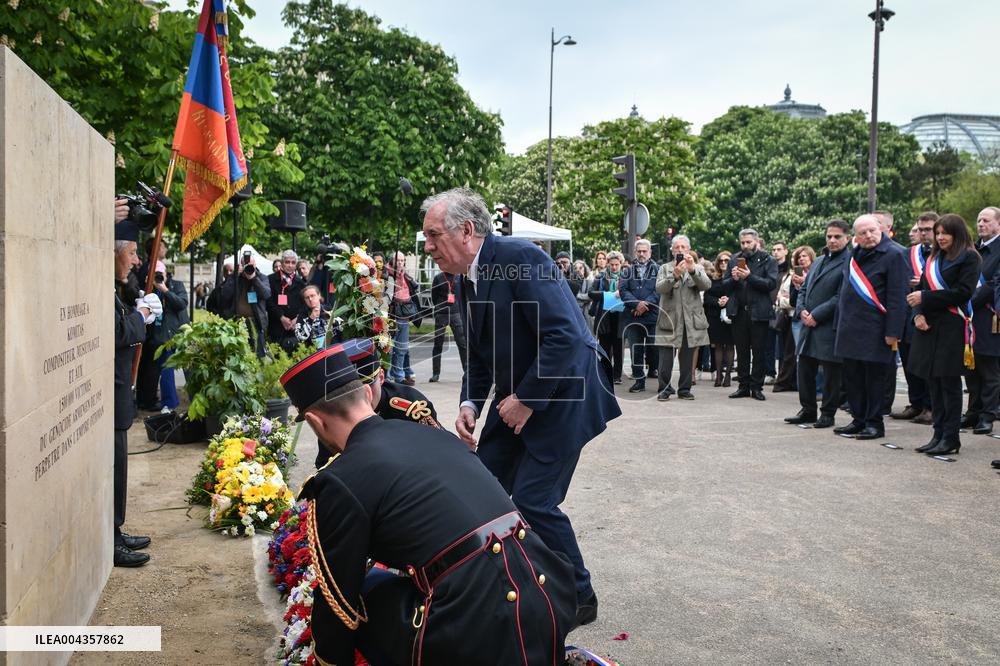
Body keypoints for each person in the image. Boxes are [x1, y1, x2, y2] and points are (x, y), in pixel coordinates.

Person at [283, 344, 577, 664]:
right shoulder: (436, 435)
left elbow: (336, 604)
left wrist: (327, 658)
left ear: (315, 421)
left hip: (477, 629)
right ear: (367, 394)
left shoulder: (340, 478)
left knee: (366, 593)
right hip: (545, 601)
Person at [422, 187, 621, 629]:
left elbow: (565, 337)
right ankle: (497, 579)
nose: (429, 246)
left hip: (565, 395)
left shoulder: (521, 257)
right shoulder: (463, 276)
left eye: (434, 235)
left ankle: (579, 595)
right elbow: (479, 352)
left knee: (534, 501)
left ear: (467, 231)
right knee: (481, 485)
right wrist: (471, 402)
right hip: (521, 397)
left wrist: (527, 400)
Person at [907, 214, 981, 455]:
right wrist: (918, 314)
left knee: (948, 383)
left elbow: (963, 292)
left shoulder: (969, 257)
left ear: (957, 234)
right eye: (937, 233)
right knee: (933, 383)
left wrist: (925, 298)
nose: (940, 237)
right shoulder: (934, 257)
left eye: (944, 233)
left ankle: (951, 437)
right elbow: (921, 290)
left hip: (952, 325)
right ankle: (937, 433)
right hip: (928, 326)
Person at [832, 214, 909, 440]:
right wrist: (839, 324)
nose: (868, 236)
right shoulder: (854, 255)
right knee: (853, 379)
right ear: (855, 236)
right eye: (862, 233)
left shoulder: (895, 254)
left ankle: (874, 423)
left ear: (881, 229)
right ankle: (859, 419)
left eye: (872, 231)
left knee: (874, 380)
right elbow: (844, 292)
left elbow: (897, 297)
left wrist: (893, 331)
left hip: (876, 329)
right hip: (850, 328)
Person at [112, 212, 160, 567]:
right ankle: (112, 539)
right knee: (113, 468)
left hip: (118, 394)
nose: (137, 259)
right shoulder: (105, 287)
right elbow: (117, 333)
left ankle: (116, 531)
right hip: (112, 391)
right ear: (115, 253)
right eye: (131, 252)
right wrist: (140, 316)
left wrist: (138, 310)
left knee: (119, 468)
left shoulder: (118, 287)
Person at [312, 337, 441, 468]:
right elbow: (326, 467)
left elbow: (441, 452)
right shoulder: (335, 416)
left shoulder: (412, 408)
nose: (362, 397)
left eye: (366, 387)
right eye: (351, 392)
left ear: (381, 377)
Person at [784, 220, 850, 428]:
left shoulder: (850, 261)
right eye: (829, 236)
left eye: (837, 236)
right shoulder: (820, 260)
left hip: (829, 325)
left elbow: (841, 296)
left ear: (847, 238)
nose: (832, 240)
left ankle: (828, 413)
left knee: (831, 373)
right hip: (807, 323)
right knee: (804, 369)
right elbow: (805, 288)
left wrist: (817, 315)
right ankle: (808, 409)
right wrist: (802, 309)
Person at [890, 213, 937, 425]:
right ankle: (916, 403)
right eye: (920, 229)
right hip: (907, 313)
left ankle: (931, 406)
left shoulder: (943, 253)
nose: (923, 234)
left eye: (928, 229)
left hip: (931, 314)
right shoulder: (909, 253)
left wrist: (924, 282)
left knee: (927, 364)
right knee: (910, 362)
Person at [722, 228, 778, 401]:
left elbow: (770, 284)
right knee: (742, 351)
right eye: (743, 242)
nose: (745, 246)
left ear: (756, 241)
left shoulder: (768, 260)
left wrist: (749, 276)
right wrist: (733, 279)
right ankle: (743, 386)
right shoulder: (734, 259)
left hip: (759, 312)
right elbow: (724, 285)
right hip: (739, 312)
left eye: (748, 242)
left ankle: (757, 387)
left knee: (759, 351)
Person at [653, 235, 711, 401]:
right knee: (665, 358)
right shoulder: (665, 268)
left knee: (687, 358)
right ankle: (663, 388)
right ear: (672, 250)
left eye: (683, 247)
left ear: (688, 249)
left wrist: (692, 270)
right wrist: (675, 276)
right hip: (669, 319)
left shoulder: (697, 267)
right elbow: (659, 288)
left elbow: (706, 285)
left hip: (689, 321)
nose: (679, 250)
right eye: (676, 247)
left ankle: (684, 389)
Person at [962, 207, 1000, 435]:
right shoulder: (974, 249)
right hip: (970, 319)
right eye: (978, 220)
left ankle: (988, 414)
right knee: (971, 368)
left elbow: (992, 285)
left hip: (988, 316)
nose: (980, 224)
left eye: (986, 220)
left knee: (989, 369)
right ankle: (973, 412)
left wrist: (966, 302)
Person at [146, 259, 190, 413]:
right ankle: (169, 403)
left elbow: (182, 303)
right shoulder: (149, 289)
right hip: (162, 335)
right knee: (166, 369)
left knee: (189, 367)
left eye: (160, 274)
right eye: (155, 274)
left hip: (180, 332)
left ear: (165, 273)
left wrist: (165, 290)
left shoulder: (176, 285)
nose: (158, 277)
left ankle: (196, 398)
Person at [620, 239, 660, 392]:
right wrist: (637, 304)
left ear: (650, 252)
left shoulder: (658, 269)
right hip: (633, 316)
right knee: (635, 350)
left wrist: (646, 304)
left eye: (645, 251)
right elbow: (623, 291)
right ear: (635, 252)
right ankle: (639, 380)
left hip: (652, 316)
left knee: (654, 348)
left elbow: (659, 290)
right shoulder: (627, 271)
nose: (642, 254)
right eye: (639, 251)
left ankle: (656, 374)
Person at [216, 252, 271, 356]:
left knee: (257, 355)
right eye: (246, 264)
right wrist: (234, 276)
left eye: (251, 265)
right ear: (241, 265)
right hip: (237, 322)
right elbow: (225, 295)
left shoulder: (262, 277)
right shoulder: (236, 277)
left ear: (255, 265)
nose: (249, 267)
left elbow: (266, 294)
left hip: (256, 322)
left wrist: (254, 278)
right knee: (238, 354)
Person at [589, 251, 626, 385]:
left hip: (620, 316)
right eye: (612, 265)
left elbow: (631, 293)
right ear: (608, 264)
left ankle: (617, 376)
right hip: (604, 317)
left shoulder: (625, 278)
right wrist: (607, 295)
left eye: (617, 265)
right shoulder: (600, 277)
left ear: (621, 264)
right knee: (604, 346)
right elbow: (591, 293)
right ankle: (605, 373)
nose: (614, 267)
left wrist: (621, 293)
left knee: (618, 348)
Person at [429, 270, 468, 382]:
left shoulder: (459, 276)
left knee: (462, 344)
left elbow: (464, 295)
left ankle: (466, 371)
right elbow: (434, 296)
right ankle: (435, 373)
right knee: (438, 344)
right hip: (442, 314)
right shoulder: (438, 278)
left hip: (456, 313)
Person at [387, 251, 419, 385]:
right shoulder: (387, 275)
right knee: (389, 349)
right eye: (398, 260)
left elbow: (410, 294)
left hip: (404, 318)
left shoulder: (405, 277)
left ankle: (399, 377)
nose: (400, 263)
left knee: (401, 349)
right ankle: (387, 377)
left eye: (402, 260)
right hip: (390, 317)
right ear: (392, 261)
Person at [704, 252, 735, 387]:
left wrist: (729, 300)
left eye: (727, 260)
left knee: (729, 345)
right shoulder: (712, 279)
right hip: (715, 317)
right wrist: (718, 301)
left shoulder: (736, 278)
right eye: (721, 260)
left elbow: (741, 295)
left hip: (732, 316)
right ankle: (718, 375)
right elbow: (706, 298)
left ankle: (728, 374)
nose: (723, 263)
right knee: (717, 345)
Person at [267, 250, 306, 353]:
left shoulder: (300, 283)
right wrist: (281, 317)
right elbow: (269, 302)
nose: (290, 265)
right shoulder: (271, 280)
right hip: (277, 326)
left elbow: (305, 305)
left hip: (295, 328)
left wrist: (297, 319)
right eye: (287, 262)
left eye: (293, 263)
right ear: (282, 263)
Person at [765, 241, 789, 385]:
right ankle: (769, 372)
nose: (775, 252)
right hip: (768, 309)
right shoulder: (769, 268)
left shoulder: (790, 270)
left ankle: (782, 373)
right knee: (768, 344)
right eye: (773, 249)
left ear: (785, 251)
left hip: (783, 310)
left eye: (779, 249)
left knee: (783, 345)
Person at [294, 284, 333, 349]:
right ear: (304, 300)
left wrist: (334, 321)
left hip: (333, 347)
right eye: (307, 297)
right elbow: (300, 338)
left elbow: (343, 328)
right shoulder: (302, 315)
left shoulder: (329, 309)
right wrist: (310, 319)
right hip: (314, 352)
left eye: (312, 296)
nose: (310, 299)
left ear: (319, 296)